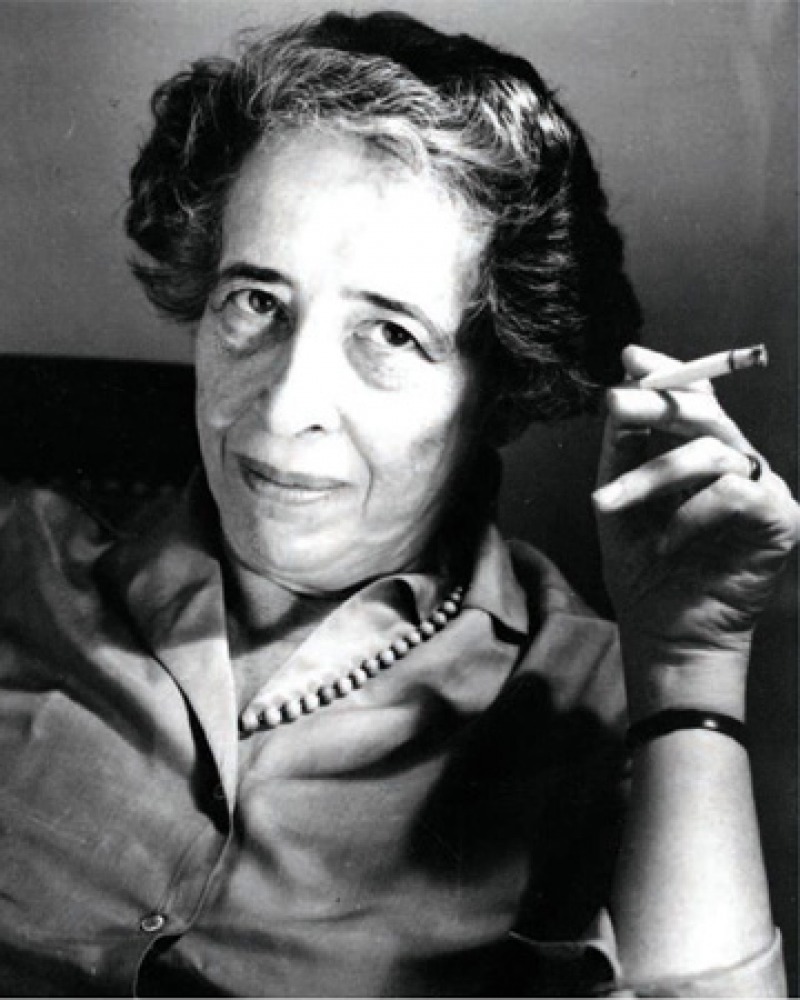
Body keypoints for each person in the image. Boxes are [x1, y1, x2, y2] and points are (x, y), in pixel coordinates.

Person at [0, 9, 796, 996]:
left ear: (491, 382)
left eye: (387, 335)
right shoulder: (17, 560)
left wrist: (687, 668)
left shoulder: (600, 693)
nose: (285, 406)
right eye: (255, 301)